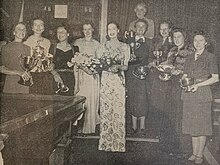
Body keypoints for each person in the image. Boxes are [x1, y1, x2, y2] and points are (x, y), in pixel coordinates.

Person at [181, 31, 219, 164]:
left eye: (201, 40)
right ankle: (194, 152)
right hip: (189, 94)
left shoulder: (210, 57)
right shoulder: (189, 57)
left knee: (201, 126)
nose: (198, 43)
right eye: (195, 40)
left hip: (202, 94)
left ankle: (199, 155)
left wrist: (198, 85)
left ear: (206, 42)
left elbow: (215, 78)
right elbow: (185, 75)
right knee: (193, 125)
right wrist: (184, 81)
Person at [98, 22, 130, 152]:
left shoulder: (125, 47)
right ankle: (105, 143)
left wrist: (118, 67)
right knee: (106, 109)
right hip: (106, 79)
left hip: (118, 79)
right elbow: (99, 65)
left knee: (118, 109)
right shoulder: (102, 46)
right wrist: (105, 67)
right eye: (109, 29)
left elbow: (126, 66)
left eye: (113, 28)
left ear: (118, 30)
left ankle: (118, 144)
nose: (111, 31)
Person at [125, 19, 152, 137]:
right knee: (132, 98)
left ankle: (142, 126)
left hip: (143, 74)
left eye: (143, 27)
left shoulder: (150, 42)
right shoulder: (128, 41)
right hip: (131, 73)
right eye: (138, 26)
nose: (140, 29)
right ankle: (133, 126)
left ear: (146, 29)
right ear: (134, 28)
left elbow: (152, 57)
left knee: (143, 99)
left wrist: (151, 64)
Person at [73, 23, 100, 134]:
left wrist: (91, 70)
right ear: (82, 31)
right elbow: (75, 60)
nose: (87, 31)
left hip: (92, 77)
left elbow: (99, 64)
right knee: (81, 100)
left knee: (91, 101)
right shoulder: (77, 43)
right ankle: (79, 128)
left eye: (89, 29)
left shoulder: (97, 44)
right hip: (81, 75)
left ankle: (90, 129)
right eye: (85, 29)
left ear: (93, 30)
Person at [24, 18, 63, 92]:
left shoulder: (47, 42)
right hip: (32, 74)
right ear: (32, 27)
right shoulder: (26, 41)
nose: (38, 27)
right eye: (36, 25)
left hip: (45, 73)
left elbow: (49, 58)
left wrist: (51, 65)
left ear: (44, 27)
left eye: (41, 25)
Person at [0, 22, 31, 94]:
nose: (22, 31)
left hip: (25, 84)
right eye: (19, 29)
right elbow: (1, 69)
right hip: (11, 84)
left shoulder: (28, 48)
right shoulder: (6, 47)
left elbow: (27, 67)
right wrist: (19, 73)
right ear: (14, 32)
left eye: (24, 29)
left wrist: (29, 76)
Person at [50, 25, 78, 95]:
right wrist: (55, 75)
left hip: (70, 80)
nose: (60, 34)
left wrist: (77, 84)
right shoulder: (52, 48)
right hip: (56, 79)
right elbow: (48, 65)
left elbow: (76, 68)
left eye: (62, 32)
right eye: (58, 32)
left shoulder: (75, 49)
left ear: (68, 34)